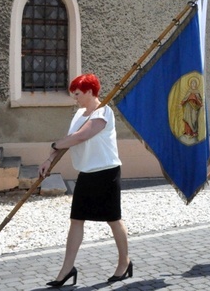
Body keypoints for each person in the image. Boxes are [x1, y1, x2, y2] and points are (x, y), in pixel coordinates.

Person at [39, 74, 132, 288]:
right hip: (86, 174)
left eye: (78, 94)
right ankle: (66, 270)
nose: (76, 98)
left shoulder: (104, 112)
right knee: (76, 220)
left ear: (90, 92)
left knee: (113, 219)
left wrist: (55, 145)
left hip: (106, 172)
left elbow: (82, 136)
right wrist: (49, 159)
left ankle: (124, 263)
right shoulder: (80, 114)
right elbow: (69, 140)